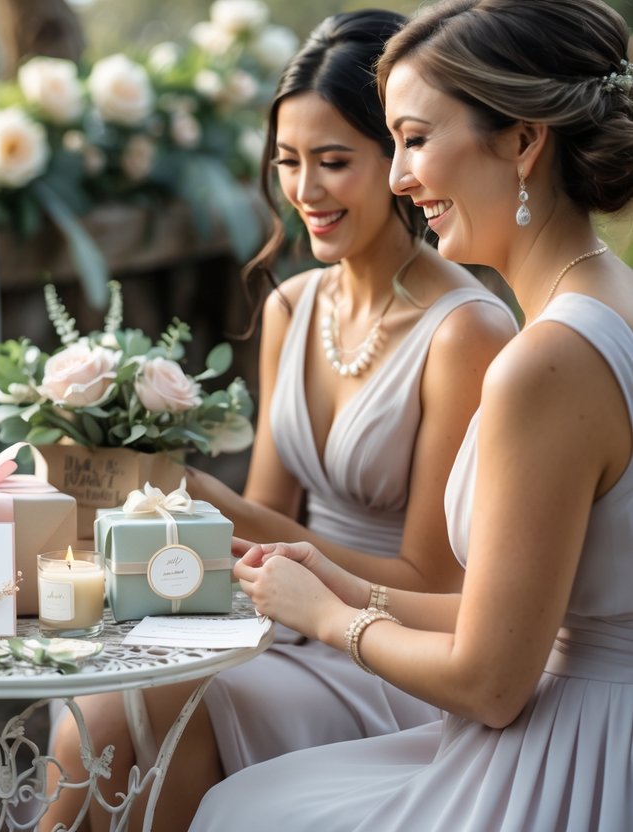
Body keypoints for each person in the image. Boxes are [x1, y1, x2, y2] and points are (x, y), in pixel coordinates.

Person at [44, 10, 518, 830]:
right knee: (99, 699)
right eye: (288, 162)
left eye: (332, 162)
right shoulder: (293, 307)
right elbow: (259, 530)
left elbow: (440, 585)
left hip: (386, 648)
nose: (303, 192)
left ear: (399, 160)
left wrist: (210, 499)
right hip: (283, 622)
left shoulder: (465, 332)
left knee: (170, 709)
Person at [192, 0, 633, 828]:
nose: (398, 177)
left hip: (580, 755)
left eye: (416, 139)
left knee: (244, 809)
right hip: (587, 712)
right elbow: (512, 613)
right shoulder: (605, 304)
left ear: (522, 141)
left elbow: (489, 684)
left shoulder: (541, 362)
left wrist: (327, 617)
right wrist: (342, 580)